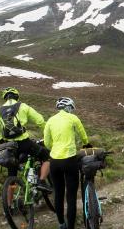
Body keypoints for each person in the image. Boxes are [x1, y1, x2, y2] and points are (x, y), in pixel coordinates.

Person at [0, 87, 52, 194]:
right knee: (46, 156)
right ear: (17, 96)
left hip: (9, 146)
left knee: (11, 176)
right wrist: (48, 134)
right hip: (24, 143)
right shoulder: (23, 106)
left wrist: (1, 141)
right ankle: (41, 182)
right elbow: (40, 120)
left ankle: (8, 207)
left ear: (5, 98)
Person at [44, 97, 90, 229]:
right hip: (70, 160)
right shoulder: (73, 118)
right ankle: (71, 226)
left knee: (58, 193)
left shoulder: (50, 120)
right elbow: (82, 134)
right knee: (71, 195)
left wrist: (56, 147)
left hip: (54, 161)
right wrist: (86, 144)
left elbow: (47, 143)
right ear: (69, 107)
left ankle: (61, 223)